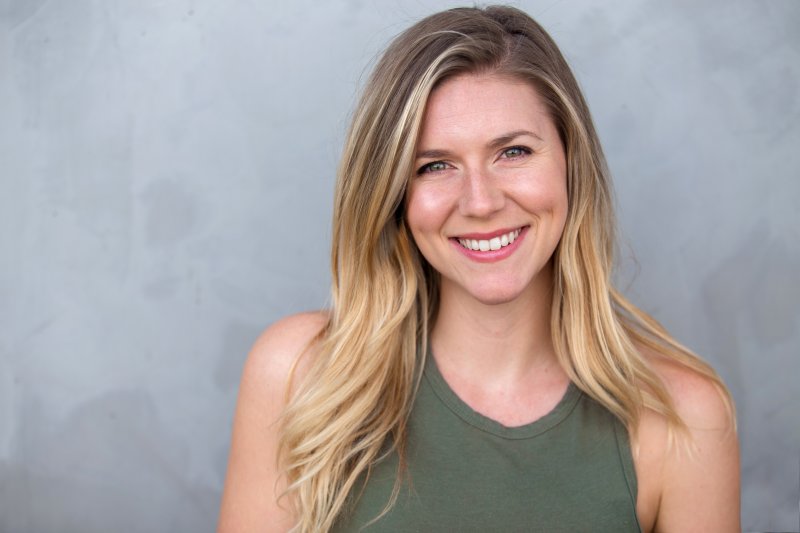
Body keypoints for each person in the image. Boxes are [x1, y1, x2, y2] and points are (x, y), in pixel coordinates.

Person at [218, 6, 740, 532]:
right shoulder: (300, 375)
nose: (481, 201)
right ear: (394, 194)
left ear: (570, 163)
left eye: (513, 151)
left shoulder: (683, 418)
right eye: (435, 166)